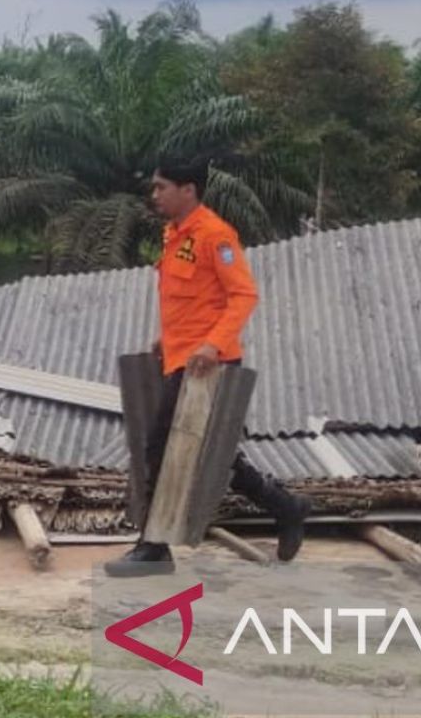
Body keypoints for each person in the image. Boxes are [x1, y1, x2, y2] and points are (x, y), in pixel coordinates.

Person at [104, 157, 311, 577]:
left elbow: (243, 295)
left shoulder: (216, 235)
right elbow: (192, 299)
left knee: (161, 448)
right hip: (181, 357)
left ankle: (154, 546)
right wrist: (167, 338)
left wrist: (213, 345)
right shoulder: (175, 233)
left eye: (162, 187)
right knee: (215, 455)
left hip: (206, 365)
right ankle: (287, 507)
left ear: (188, 190)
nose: (154, 194)